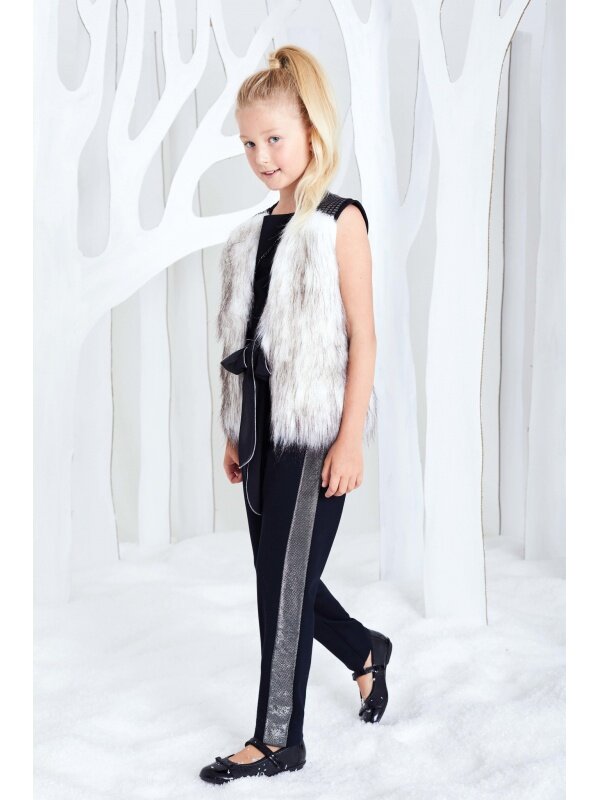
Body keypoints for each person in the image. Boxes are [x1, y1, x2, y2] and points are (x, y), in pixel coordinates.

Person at [199, 44, 392, 786]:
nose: (262, 156)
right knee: (279, 576)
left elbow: (363, 336)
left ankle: (279, 738)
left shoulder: (340, 221)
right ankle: (365, 648)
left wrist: (350, 438)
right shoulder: (251, 235)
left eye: (275, 138)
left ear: (312, 130)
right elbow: (245, 338)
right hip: (259, 430)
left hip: (314, 431)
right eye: (249, 143)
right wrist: (234, 431)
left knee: (282, 585)